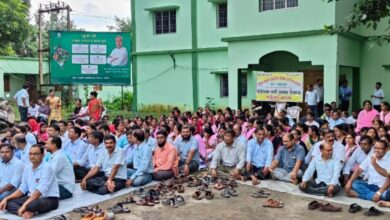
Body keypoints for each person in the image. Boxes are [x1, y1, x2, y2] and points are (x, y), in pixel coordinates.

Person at [0, 144, 59, 219]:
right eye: (30, 154)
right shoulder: (27, 168)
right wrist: (7, 198)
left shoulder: (47, 168)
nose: (32, 156)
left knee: (32, 205)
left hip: (48, 198)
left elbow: (40, 191)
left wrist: (24, 205)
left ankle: (27, 210)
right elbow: (22, 188)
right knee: (7, 203)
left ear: (42, 155)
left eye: (36, 154)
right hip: (31, 197)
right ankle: (26, 212)